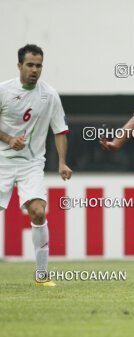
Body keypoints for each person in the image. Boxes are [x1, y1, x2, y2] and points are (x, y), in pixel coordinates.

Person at [0, 44, 72, 287]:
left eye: (38, 65)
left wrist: (62, 162)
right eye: (30, 65)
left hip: (31, 164)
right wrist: (9, 139)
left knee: (39, 212)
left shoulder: (49, 95)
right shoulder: (4, 91)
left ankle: (42, 276)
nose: (34, 70)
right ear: (19, 65)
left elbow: (60, 130)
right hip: (2, 162)